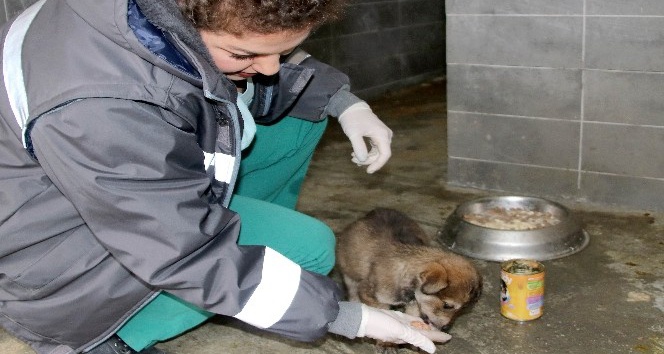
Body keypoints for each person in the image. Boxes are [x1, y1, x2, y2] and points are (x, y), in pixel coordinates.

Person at [0, 1, 451, 354]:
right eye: (244, 54)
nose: (271, 69)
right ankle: (112, 334)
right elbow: (181, 253)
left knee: (298, 115)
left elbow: (253, 51)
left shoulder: (156, 20)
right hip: (53, 256)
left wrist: (347, 104)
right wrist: (350, 318)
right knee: (307, 251)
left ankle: (242, 271)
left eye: (282, 52)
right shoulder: (99, 106)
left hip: (115, 190)